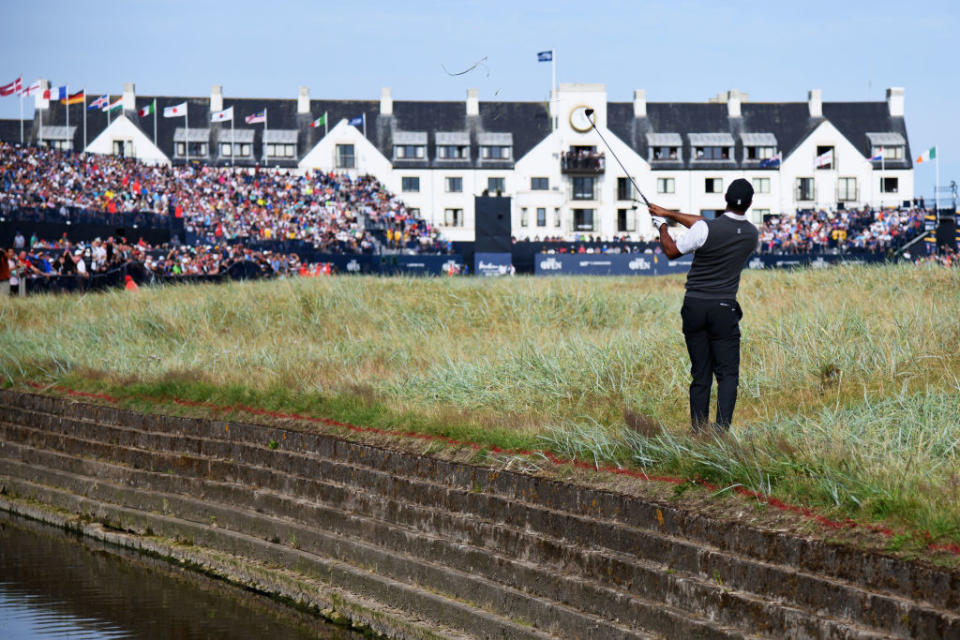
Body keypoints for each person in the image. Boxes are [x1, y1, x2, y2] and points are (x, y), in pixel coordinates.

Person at [648, 178, 759, 433]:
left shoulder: (705, 228)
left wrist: (662, 226)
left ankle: (698, 431)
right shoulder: (752, 235)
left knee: (701, 375)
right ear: (750, 203)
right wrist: (668, 213)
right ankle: (720, 433)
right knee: (727, 375)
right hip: (724, 308)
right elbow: (703, 225)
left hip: (695, 305)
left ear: (724, 199)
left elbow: (672, 251)